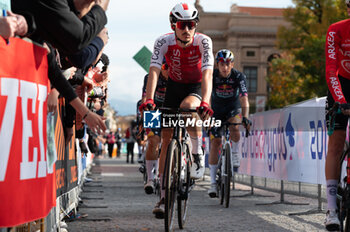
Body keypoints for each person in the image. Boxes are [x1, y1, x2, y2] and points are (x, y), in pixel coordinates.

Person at [139, 3, 214, 218]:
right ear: (174, 25)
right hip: (173, 87)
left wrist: (206, 102)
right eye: (183, 25)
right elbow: (153, 71)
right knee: (165, 138)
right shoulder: (163, 41)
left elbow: (208, 74)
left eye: (191, 24)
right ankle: (163, 196)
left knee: (187, 108)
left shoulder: (203, 42)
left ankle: (197, 153)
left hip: (195, 87)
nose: (187, 29)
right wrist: (150, 99)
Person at [207, 49, 251, 197]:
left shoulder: (239, 76)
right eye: (221, 64)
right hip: (217, 111)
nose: (224, 67)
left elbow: (244, 98)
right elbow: (206, 95)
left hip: (233, 108)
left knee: (235, 124)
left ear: (232, 64)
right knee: (216, 143)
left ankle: (235, 152)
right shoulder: (212, 75)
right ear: (217, 65)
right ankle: (213, 183)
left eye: (227, 64)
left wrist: (245, 117)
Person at [324, 3, 350, 230]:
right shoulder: (336, 29)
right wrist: (340, 100)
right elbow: (331, 69)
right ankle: (332, 209)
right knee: (336, 144)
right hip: (341, 84)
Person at [141, 59, 169, 195]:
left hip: (171, 110)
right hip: (154, 111)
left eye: (171, 66)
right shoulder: (150, 77)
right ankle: (150, 179)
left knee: (172, 141)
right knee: (153, 142)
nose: (168, 69)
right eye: (165, 66)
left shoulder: (178, 77)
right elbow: (145, 98)